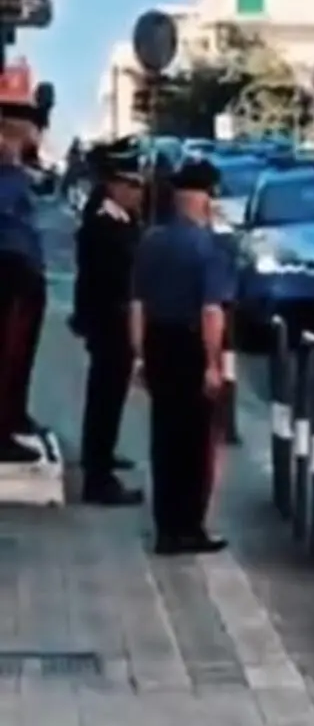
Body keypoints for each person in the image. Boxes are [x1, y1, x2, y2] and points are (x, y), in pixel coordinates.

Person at [130, 156, 229, 555]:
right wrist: (212, 363)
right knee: (195, 443)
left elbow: (136, 303)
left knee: (164, 438)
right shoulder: (208, 247)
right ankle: (190, 527)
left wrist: (139, 356)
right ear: (206, 200)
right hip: (191, 346)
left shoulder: (151, 241)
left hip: (157, 342)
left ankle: (166, 528)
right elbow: (211, 311)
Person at [72, 151, 146, 505]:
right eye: (131, 185)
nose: (138, 193)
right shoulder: (105, 223)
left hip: (109, 320)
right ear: (114, 185)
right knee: (106, 396)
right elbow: (110, 279)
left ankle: (100, 457)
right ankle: (98, 477)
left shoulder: (121, 219)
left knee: (109, 396)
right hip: (110, 321)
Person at [0, 102, 49, 463]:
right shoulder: (4, 172)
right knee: (7, 353)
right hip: (8, 272)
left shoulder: (17, 171)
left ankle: (13, 415)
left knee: (18, 354)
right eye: (34, 127)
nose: (38, 135)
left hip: (22, 272)